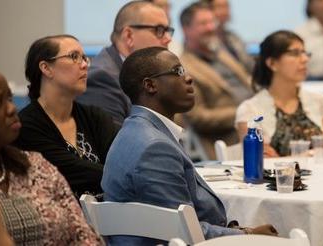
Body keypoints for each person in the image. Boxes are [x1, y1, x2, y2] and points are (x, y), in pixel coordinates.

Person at [101, 47, 277, 245]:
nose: (189, 78)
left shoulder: (136, 129)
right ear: (150, 85)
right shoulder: (154, 147)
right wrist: (248, 235)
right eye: (178, 72)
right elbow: (182, 230)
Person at [0, 68, 103, 245]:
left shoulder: (35, 165)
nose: (12, 108)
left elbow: (82, 234)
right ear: (45, 68)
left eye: (10, 98)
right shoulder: (33, 125)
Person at [14, 35, 119, 197]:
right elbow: (69, 172)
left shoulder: (95, 116)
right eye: (74, 57)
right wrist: (121, 177)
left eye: (84, 58)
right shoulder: (26, 126)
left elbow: (119, 164)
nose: (84, 65)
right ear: (46, 68)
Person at [235, 30, 323, 157]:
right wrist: (313, 155)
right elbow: (261, 162)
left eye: (304, 53)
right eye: (295, 53)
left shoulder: (320, 101)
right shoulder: (249, 110)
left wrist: (285, 158)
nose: (305, 59)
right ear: (272, 63)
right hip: (276, 178)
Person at [77, 0, 173, 126]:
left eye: (168, 30)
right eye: (159, 30)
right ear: (129, 36)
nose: (168, 39)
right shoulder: (101, 79)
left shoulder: (144, 73)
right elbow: (118, 143)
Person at [180, 2, 253, 159]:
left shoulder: (222, 54)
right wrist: (242, 112)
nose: (210, 27)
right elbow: (198, 117)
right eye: (203, 23)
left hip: (257, 125)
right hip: (229, 139)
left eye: (212, 22)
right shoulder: (184, 67)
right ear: (186, 29)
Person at [203, 0, 255, 73]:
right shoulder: (204, 41)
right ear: (207, 10)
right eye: (219, 7)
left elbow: (250, 65)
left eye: (226, 6)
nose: (225, 11)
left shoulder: (233, 37)